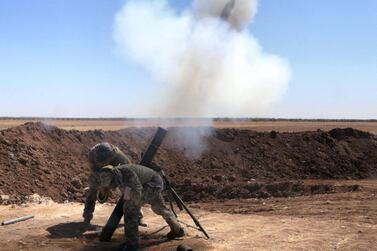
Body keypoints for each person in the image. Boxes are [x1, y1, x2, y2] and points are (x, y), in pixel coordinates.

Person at [99, 164, 184, 251]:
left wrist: (130, 203)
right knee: (159, 207)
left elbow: (137, 192)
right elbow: (104, 196)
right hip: (147, 184)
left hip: (153, 183)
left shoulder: (127, 173)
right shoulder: (112, 175)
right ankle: (178, 230)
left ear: (114, 176)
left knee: (129, 209)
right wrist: (102, 190)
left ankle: (132, 245)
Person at [82, 142, 146, 227]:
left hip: (116, 174)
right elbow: (93, 170)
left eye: (104, 162)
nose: (103, 164)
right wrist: (103, 184)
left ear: (111, 157)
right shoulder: (92, 153)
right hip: (100, 174)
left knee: (129, 193)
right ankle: (87, 216)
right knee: (92, 189)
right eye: (100, 162)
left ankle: (137, 216)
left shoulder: (121, 158)